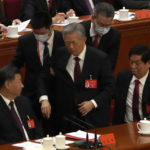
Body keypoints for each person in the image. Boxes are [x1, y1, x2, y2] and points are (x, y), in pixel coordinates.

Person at [38, 23, 115, 133]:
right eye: (67, 43)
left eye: (74, 43)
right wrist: (44, 99)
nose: (71, 47)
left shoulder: (99, 58)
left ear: (84, 39)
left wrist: (93, 103)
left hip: (93, 118)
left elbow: (110, 87)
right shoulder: (60, 54)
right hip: (67, 118)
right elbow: (44, 77)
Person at [10, 11, 64, 135]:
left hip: (55, 90)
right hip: (32, 91)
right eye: (36, 33)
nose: (39, 36)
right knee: (32, 130)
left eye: (42, 33)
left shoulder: (63, 39)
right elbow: (17, 62)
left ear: (51, 27)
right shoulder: (25, 40)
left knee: (53, 131)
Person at [0, 64, 43, 145]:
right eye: (19, 81)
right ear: (7, 85)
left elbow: (37, 129)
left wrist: (36, 145)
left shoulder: (24, 102)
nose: (22, 85)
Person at [114, 44, 150, 125]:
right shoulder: (123, 76)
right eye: (131, 62)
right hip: (124, 126)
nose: (133, 66)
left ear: (148, 63)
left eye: (137, 63)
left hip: (146, 126)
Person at [82, 2, 120, 70]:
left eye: (108, 25)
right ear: (93, 18)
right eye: (101, 25)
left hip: (102, 73)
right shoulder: (81, 30)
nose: (104, 28)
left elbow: (111, 63)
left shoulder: (114, 34)